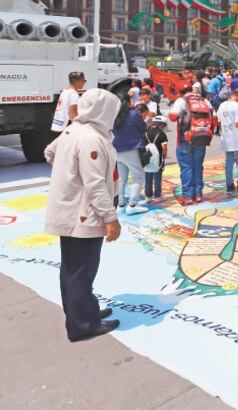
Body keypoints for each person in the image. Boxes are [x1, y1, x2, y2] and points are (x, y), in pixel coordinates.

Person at [44, 89, 122, 342]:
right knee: (81, 271)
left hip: (71, 211)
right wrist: (110, 218)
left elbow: (49, 153)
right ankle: (82, 325)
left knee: (73, 269)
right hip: (84, 214)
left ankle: (83, 312)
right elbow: (95, 183)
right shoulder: (91, 139)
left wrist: (68, 174)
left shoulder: (74, 130)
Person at [168, 85, 209, 205]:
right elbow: (214, 117)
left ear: (180, 92)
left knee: (186, 166)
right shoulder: (204, 100)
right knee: (198, 165)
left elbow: (172, 117)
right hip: (201, 136)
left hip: (185, 137)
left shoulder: (181, 101)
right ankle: (198, 194)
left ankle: (187, 196)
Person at [112, 96, 148, 215]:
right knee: (138, 176)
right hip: (131, 148)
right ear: (129, 102)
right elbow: (143, 127)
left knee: (122, 179)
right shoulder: (133, 114)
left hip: (117, 150)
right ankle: (133, 204)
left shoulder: (114, 115)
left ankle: (121, 204)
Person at [218, 87, 238, 194]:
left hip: (226, 136)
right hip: (237, 137)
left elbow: (219, 121)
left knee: (229, 160)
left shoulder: (222, 105)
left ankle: (229, 185)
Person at [51, 71, 86, 138]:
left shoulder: (65, 91)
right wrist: (77, 130)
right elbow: (73, 115)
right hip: (66, 127)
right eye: (84, 81)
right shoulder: (73, 94)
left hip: (58, 125)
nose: (84, 83)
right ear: (78, 81)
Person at [143, 115, 169, 202]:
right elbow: (164, 148)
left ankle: (148, 196)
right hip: (158, 159)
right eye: (164, 125)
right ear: (162, 124)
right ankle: (157, 196)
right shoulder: (162, 134)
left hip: (147, 157)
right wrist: (164, 158)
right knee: (157, 177)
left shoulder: (146, 132)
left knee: (148, 176)